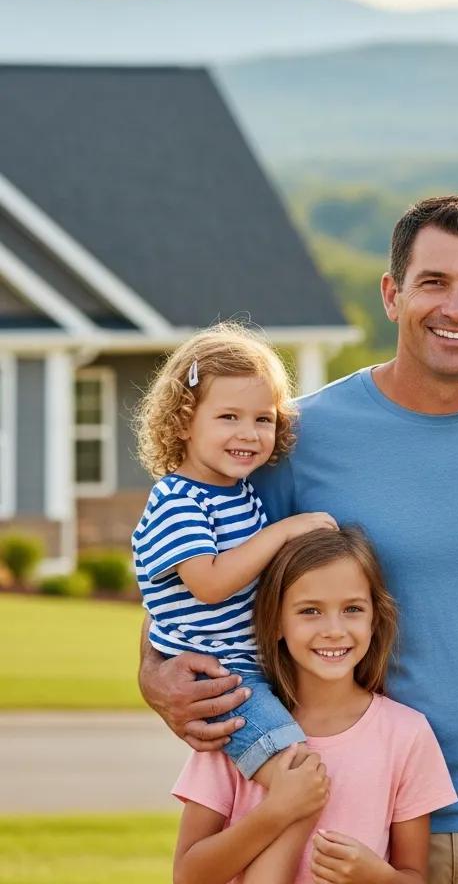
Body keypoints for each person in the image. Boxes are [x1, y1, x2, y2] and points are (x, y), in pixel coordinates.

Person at [140, 196, 458, 884]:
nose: (457, 307)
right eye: (434, 282)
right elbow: (199, 571)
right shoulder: (299, 436)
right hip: (351, 817)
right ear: (392, 293)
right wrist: (152, 672)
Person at [173, 526, 457, 884]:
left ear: (375, 619)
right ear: (276, 622)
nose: (334, 629)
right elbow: (188, 875)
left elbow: (413, 876)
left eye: (352, 609)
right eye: (310, 611)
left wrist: (375, 876)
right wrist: (277, 811)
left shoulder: (406, 735)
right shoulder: (233, 723)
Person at [132, 322, 337, 793]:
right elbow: (209, 583)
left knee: (295, 780)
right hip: (219, 675)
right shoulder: (179, 500)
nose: (249, 433)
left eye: (263, 419)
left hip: (250, 665)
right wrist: (286, 530)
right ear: (183, 421)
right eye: (228, 417)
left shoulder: (238, 493)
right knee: (298, 780)